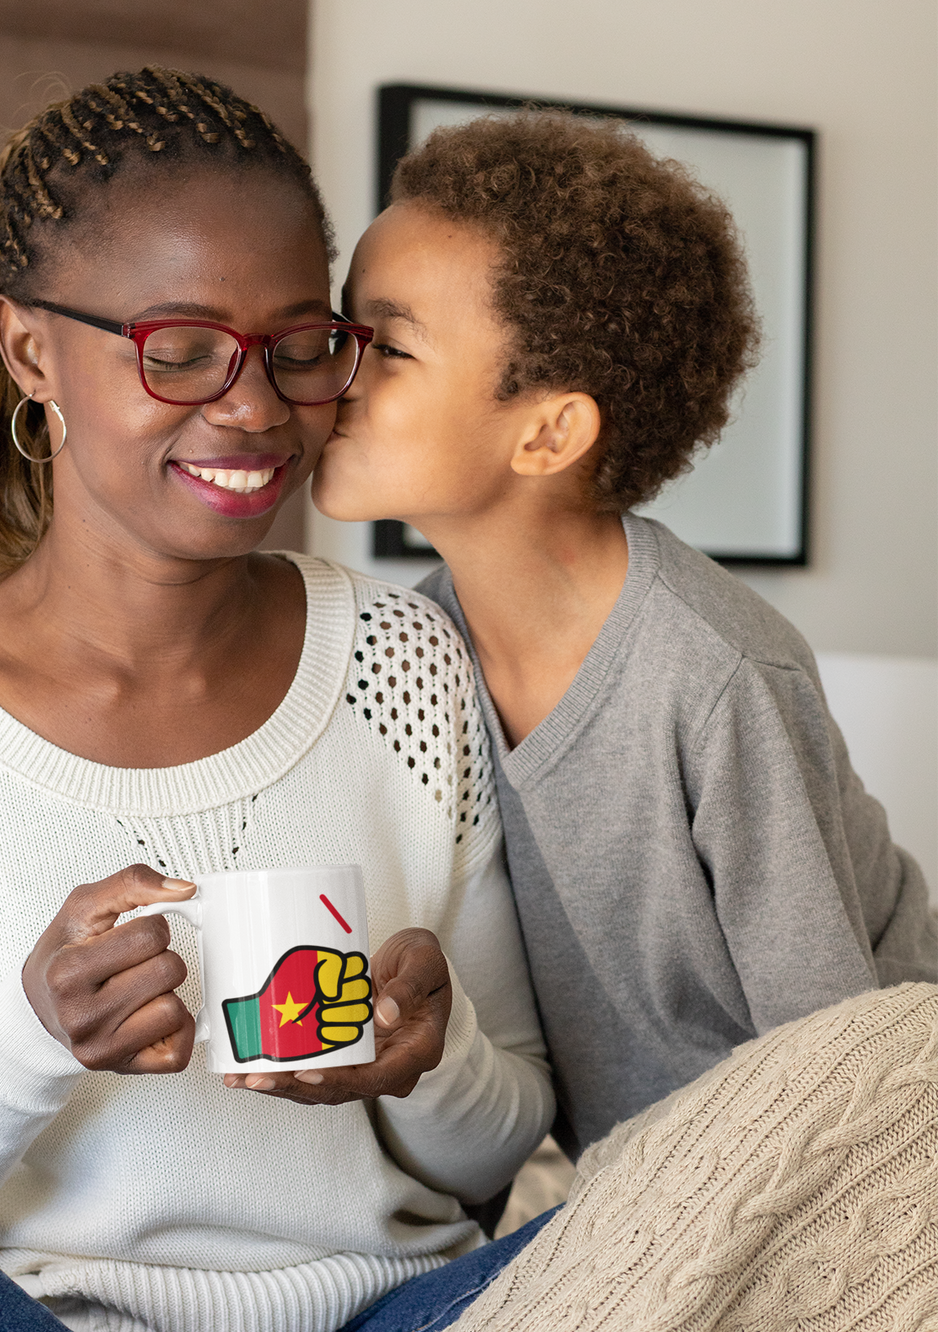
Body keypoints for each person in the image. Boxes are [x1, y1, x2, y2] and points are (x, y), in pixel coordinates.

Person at [0, 70, 555, 1332]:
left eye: (298, 348)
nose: (255, 408)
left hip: (393, 1314)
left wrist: (430, 1062)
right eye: (179, 351)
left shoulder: (403, 661)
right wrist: (27, 1042)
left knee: (770, 1148)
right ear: (29, 349)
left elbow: (504, 1144)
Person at [314, 110, 938, 1164]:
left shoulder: (717, 672)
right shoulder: (410, 654)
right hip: (625, 1180)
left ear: (549, 431)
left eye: (392, 347)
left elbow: (835, 1070)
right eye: (343, 331)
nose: (335, 370)